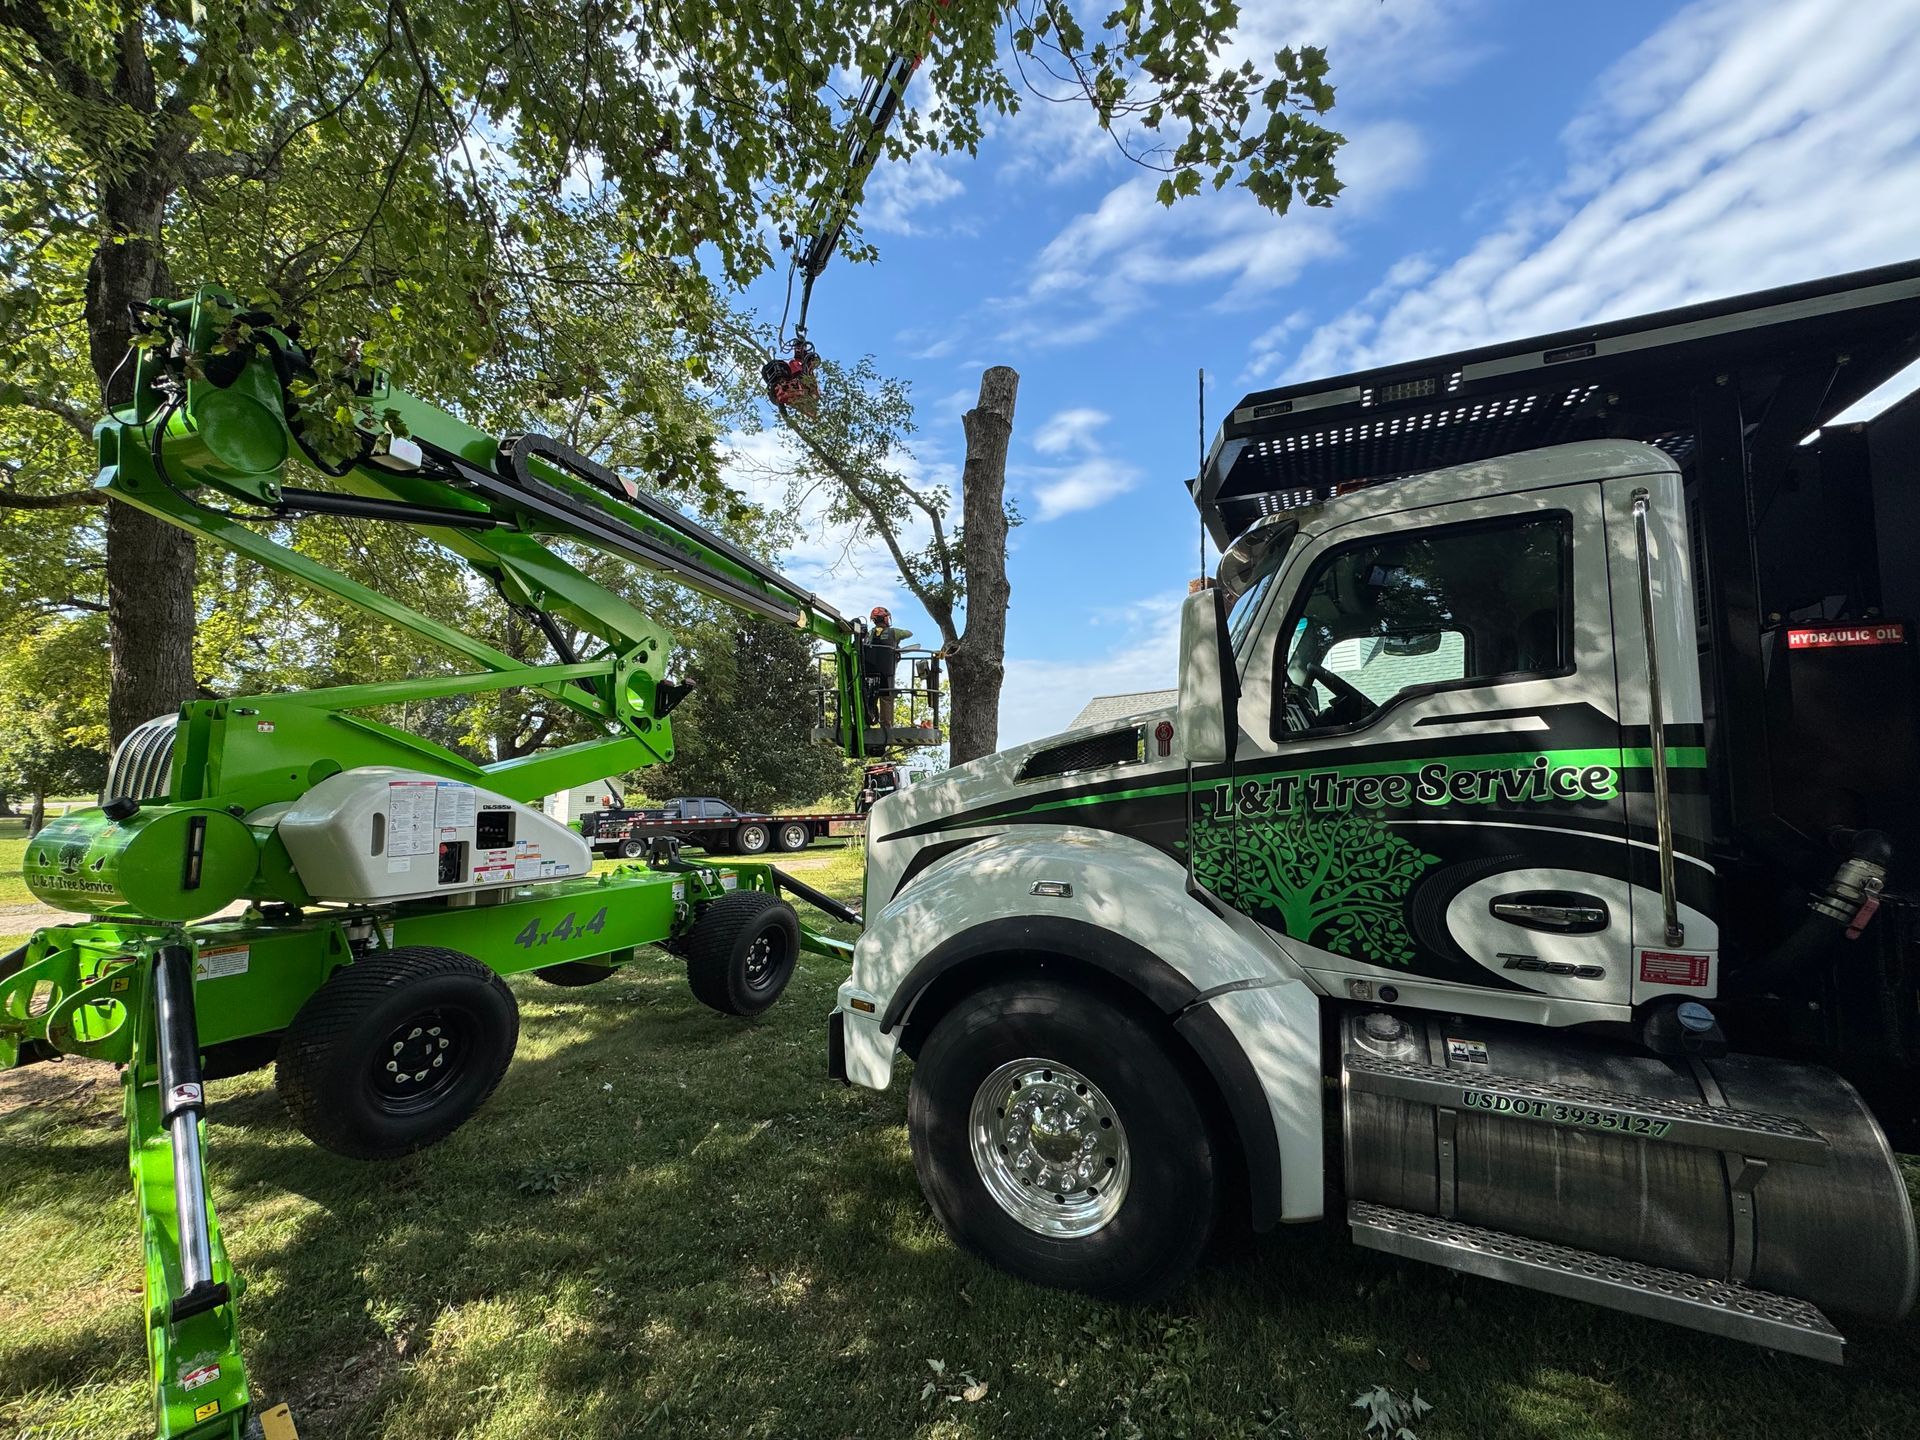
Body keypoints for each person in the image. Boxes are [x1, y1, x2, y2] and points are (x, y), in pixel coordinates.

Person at [862, 605, 912, 727]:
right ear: (885, 619)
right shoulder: (894, 632)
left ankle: (868, 720)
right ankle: (886, 726)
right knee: (886, 697)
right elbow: (909, 633)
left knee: (870, 695)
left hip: (869, 672)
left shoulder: (869, 634)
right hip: (887, 671)